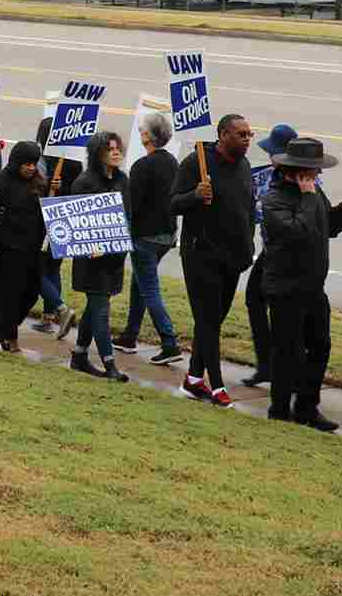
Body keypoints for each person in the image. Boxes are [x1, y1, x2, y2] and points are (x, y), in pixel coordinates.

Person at [259, 136, 342, 431]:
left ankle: (307, 407)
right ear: (298, 171)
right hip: (286, 288)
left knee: (320, 345)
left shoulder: (314, 193)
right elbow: (298, 232)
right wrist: (309, 198)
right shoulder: (274, 200)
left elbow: (328, 227)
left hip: (313, 287)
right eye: (314, 170)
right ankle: (279, 408)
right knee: (287, 350)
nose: (318, 174)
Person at [172, 113, 259, 403]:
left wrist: (248, 246)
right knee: (207, 320)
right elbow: (171, 204)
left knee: (213, 321)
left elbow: (247, 210)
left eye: (249, 134)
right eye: (241, 134)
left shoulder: (244, 166)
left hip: (233, 257)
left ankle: (193, 379)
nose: (247, 139)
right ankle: (218, 386)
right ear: (223, 135)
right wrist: (195, 195)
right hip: (201, 255)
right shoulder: (195, 163)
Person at [114, 112, 183, 365]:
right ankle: (129, 336)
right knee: (140, 283)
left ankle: (169, 343)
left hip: (145, 236)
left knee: (150, 289)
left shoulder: (142, 166)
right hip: (167, 234)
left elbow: (133, 205)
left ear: (147, 136)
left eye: (142, 130)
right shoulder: (172, 162)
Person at [63, 130, 131, 380]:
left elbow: (127, 216)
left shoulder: (123, 179)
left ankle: (79, 355)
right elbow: (74, 221)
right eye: (109, 149)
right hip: (91, 259)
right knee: (101, 309)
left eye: (118, 148)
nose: (116, 152)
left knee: (95, 308)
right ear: (97, 153)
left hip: (114, 255)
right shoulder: (84, 182)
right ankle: (110, 364)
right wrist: (90, 245)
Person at [0, 139, 47, 351]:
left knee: (31, 292)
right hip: (10, 248)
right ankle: (8, 336)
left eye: (34, 164)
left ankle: (7, 327)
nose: (31, 168)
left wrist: (54, 190)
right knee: (9, 294)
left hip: (32, 247)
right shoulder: (0, 180)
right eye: (27, 164)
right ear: (17, 162)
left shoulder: (38, 182)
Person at [27, 111, 81, 334]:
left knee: (35, 269)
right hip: (65, 220)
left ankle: (60, 309)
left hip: (44, 219)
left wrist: (54, 187)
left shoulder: (43, 160)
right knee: (53, 268)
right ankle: (48, 317)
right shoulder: (75, 161)